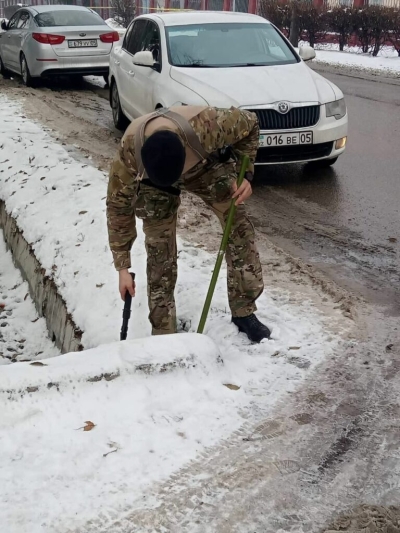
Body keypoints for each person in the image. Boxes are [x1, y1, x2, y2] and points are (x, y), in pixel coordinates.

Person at [106, 106, 271, 343]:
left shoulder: (209, 126)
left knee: (239, 229)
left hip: (203, 168)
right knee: (158, 249)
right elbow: (117, 208)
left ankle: (244, 311)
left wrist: (246, 175)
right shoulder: (129, 154)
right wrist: (122, 267)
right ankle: (163, 330)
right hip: (153, 184)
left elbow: (252, 124)